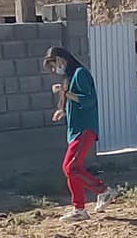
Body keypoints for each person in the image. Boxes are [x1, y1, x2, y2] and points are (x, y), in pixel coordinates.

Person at [43, 46, 117, 222]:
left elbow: (87, 100)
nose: (54, 69)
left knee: (71, 167)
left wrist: (65, 93)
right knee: (72, 169)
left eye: (54, 65)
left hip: (84, 128)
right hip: (75, 130)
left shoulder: (80, 74)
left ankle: (103, 191)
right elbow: (72, 101)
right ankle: (79, 209)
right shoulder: (70, 77)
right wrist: (63, 111)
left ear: (61, 59)